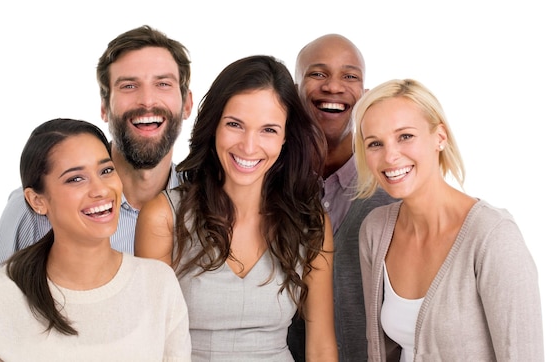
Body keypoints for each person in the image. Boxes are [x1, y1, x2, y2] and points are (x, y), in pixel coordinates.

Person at [135, 55, 338, 361]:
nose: (248, 146)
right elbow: (150, 345)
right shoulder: (163, 217)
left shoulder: (310, 224)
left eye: (268, 130)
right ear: (214, 125)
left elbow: (321, 347)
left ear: (285, 137)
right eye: (235, 125)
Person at [0, 118, 191, 361]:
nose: (101, 189)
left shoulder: (159, 284)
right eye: (75, 179)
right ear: (37, 201)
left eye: (106, 170)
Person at [353, 78, 544, 361]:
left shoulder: (492, 236)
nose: (390, 156)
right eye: (375, 143)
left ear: (439, 137)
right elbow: (378, 350)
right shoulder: (376, 230)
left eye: (405, 136)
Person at [0, 25, 193, 275]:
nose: (147, 100)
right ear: (104, 107)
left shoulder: (207, 205)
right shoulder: (38, 205)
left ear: (187, 104)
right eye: (129, 86)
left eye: (163, 84)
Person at [288, 34, 397, 361]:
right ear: (294, 91)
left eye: (349, 76)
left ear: (364, 95)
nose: (333, 87)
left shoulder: (393, 188)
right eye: (317, 74)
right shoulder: (264, 182)